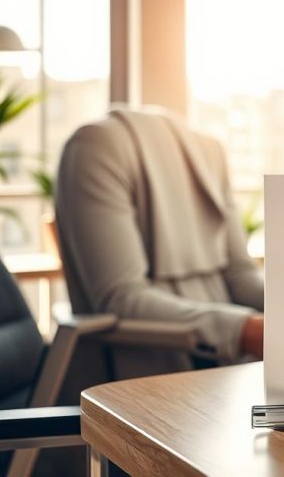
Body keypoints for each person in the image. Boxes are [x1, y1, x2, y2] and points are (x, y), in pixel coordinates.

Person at [56, 107, 264, 378]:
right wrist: (246, 331)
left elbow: (240, 274)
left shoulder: (212, 152)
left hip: (227, 376)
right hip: (143, 381)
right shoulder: (93, 148)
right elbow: (122, 298)